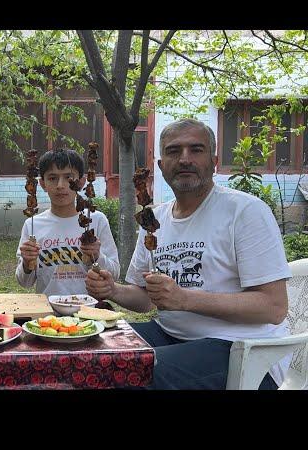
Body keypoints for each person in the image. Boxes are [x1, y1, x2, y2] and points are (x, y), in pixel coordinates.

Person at [85, 118, 292, 390]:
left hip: (242, 350)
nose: (185, 159)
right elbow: (145, 299)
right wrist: (113, 290)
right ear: (161, 166)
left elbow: (274, 307)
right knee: (86, 352)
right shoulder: (154, 219)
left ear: (214, 161)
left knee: (132, 372)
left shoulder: (245, 212)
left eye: (196, 150)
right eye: (173, 151)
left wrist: (185, 299)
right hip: (170, 335)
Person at [16, 148, 120, 296]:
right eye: (52, 178)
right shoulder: (33, 225)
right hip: (49, 315)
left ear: (82, 182)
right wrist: (26, 263)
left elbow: (114, 273)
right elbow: (24, 282)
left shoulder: (96, 220)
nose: (60, 185)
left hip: (89, 312)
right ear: (43, 184)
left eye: (68, 177)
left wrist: (98, 257)